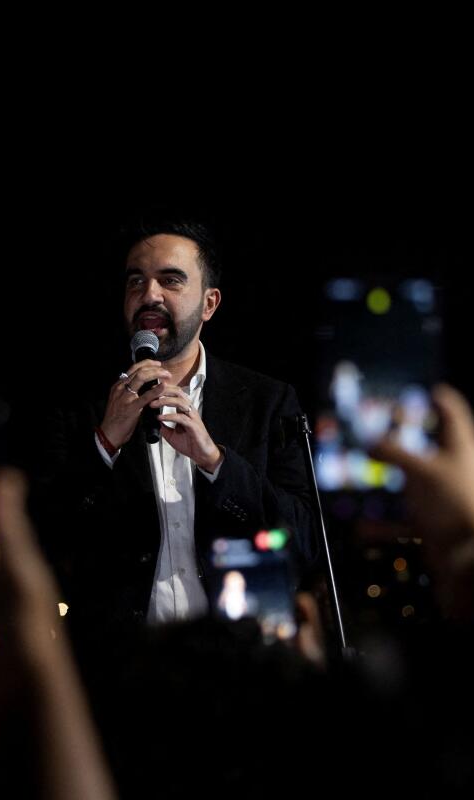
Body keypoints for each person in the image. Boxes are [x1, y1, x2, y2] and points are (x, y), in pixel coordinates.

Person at [26, 214, 319, 656]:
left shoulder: (267, 402)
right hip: (118, 670)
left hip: (243, 667)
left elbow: (305, 545)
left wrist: (216, 462)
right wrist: (104, 443)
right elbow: (42, 539)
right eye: (135, 282)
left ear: (209, 303)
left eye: (171, 280)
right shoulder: (79, 406)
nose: (149, 296)